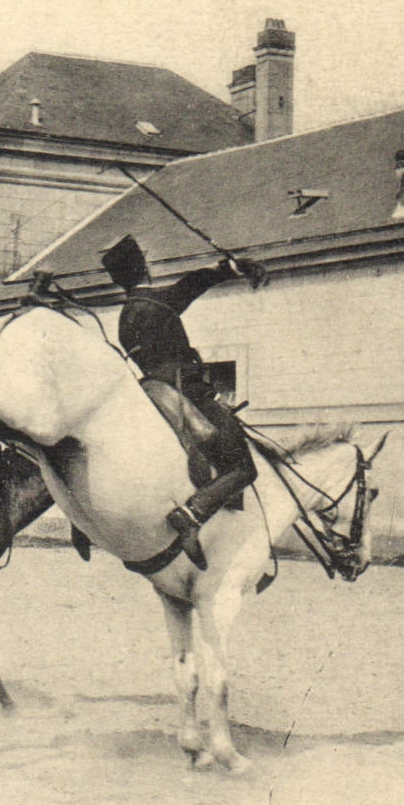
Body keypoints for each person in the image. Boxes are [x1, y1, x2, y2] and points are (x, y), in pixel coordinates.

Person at [100, 233, 267, 570]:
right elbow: (193, 284)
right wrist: (232, 268)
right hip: (186, 392)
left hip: (150, 391)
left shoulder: (125, 316)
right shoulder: (157, 303)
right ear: (144, 268)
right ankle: (193, 514)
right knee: (244, 467)